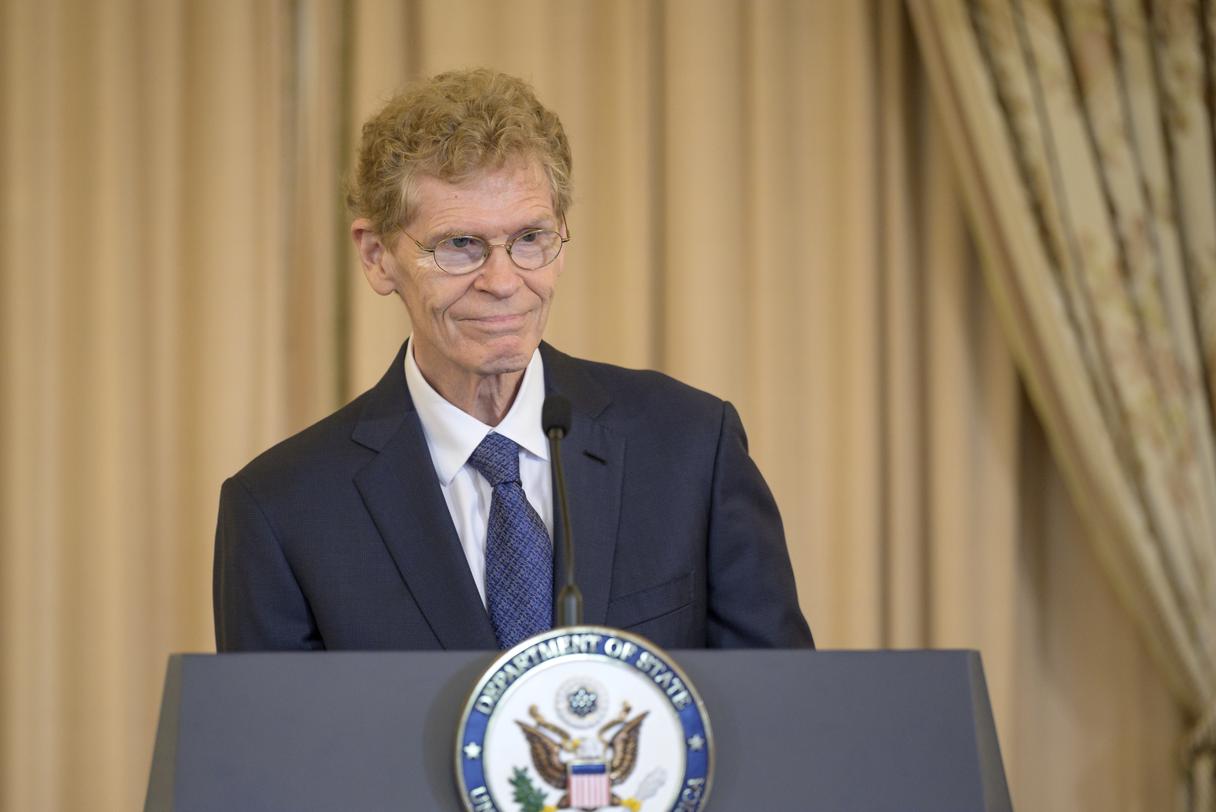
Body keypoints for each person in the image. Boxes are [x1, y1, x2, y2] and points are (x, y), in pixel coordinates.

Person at [213, 68, 812, 652]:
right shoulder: (282, 511)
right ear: (377, 257)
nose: (503, 282)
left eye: (530, 238)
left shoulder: (691, 446)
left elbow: (780, 714)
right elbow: (280, 751)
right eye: (460, 245)